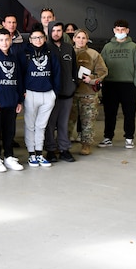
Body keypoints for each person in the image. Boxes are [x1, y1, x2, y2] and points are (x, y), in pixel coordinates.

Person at [98, 19, 136, 149]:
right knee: (109, 113)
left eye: (123, 30)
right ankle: (108, 137)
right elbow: (101, 66)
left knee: (129, 113)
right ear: (114, 31)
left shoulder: (133, 47)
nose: (120, 32)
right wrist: (101, 80)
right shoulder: (107, 47)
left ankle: (129, 138)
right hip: (110, 85)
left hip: (128, 85)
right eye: (118, 30)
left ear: (127, 31)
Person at [0, 29, 25, 172]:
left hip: (12, 101)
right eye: (1, 40)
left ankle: (9, 156)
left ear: (11, 40)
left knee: (10, 131)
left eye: (7, 39)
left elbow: (19, 80)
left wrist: (19, 100)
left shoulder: (14, 57)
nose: (4, 42)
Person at [22, 25, 60, 168]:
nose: (38, 40)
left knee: (41, 126)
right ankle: (31, 154)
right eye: (35, 37)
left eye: (40, 37)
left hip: (47, 94)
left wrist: (54, 93)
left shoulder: (51, 53)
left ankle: (39, 153)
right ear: (30, 39)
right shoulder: (25, 54)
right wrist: (22, 91)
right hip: (31, 93)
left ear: (44, 38)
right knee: (30, 125)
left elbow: (57, 73)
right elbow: (19, 74)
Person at [44, 21, 78, 163]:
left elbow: (74, 68)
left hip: (67, 92)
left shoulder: (68, 48)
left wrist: (74, 84)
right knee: (50, 123)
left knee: (64, 122)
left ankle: (64, 149)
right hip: (51, 93)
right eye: (53, 31)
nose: (56, 33)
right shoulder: (46, 48)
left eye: (59, 30)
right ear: (49, 32)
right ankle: (51, 150)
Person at [70, 29, 108, 155]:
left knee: (88, 121)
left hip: (88, 94)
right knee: (67, 121)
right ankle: (63, 144)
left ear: (87, 40)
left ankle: (86, 145)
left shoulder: (94, 54)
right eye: (78, 37)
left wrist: (91, 78)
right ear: (74, 39)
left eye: (83, 38)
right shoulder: (68, 53)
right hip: (71, 94)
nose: (81, 40)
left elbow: (103, 71)